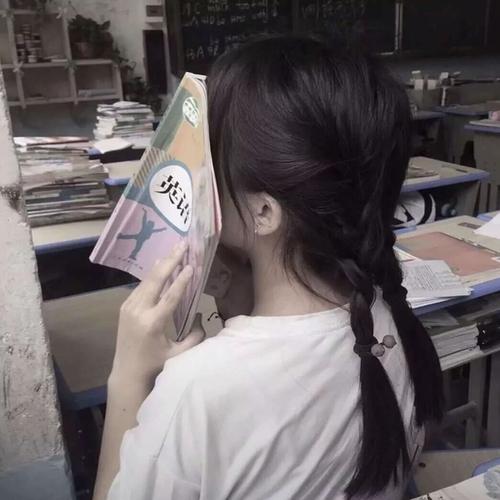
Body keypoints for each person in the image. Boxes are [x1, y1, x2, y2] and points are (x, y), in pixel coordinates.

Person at [93, 35, 443, 500]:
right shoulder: (389, 316)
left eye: (210, 158)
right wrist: (242, 299)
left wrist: (128, 375)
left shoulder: (198, 390)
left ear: (263, 211)